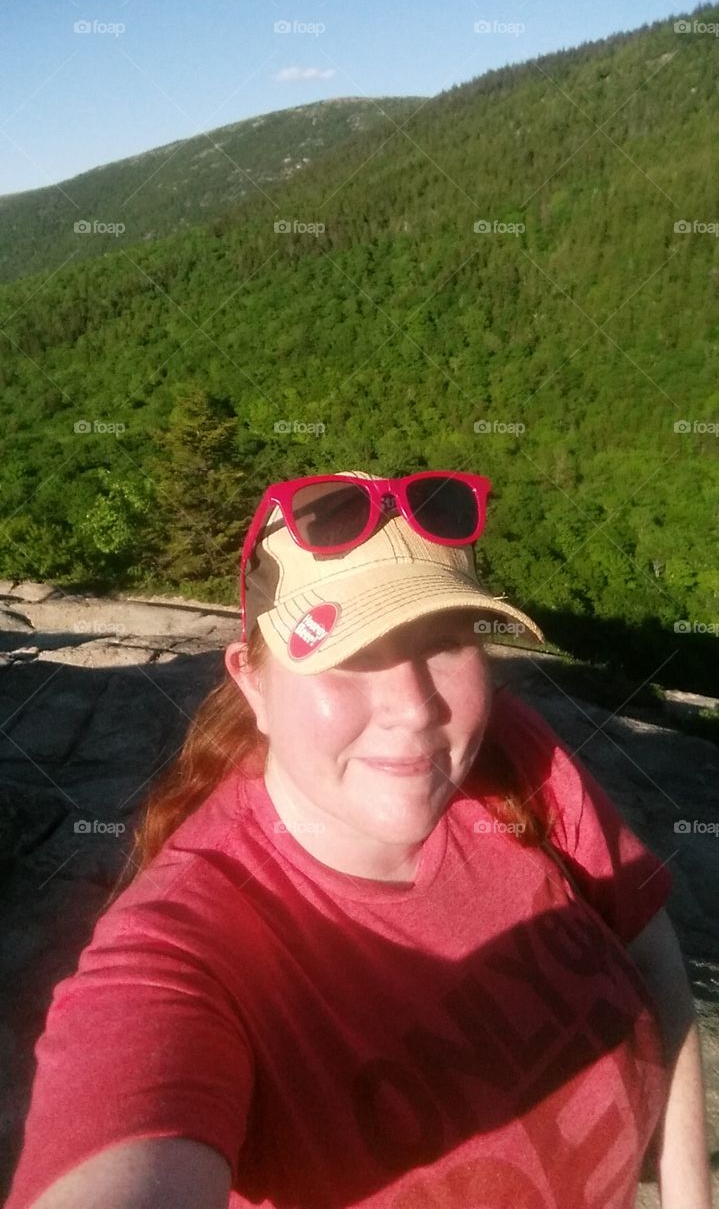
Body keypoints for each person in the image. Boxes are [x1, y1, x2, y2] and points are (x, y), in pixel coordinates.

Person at [5, 469, 711, 1209]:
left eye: (442, 641)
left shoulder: (514, 758)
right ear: (253, 684)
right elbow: (126, 1133)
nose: (412, 708)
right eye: (347, 657)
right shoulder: (187, 950)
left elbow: (647, 949)